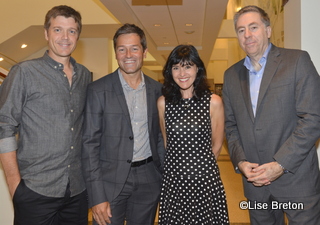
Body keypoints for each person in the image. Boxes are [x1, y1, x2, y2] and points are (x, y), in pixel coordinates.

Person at [223, 5, 320, 225]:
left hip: (297, 183)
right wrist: (241, 162)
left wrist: (280, 165)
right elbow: (230, 127)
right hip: (255, 187)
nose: (247, 35)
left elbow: (313, 118)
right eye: (241, 30)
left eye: (253, 27)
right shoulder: (231, 76)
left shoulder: (297, 61)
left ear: (267, 30)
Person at [0, 5, 91, 225]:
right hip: (34, 190)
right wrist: (15, 188)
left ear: (78, 35)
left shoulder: (85, 76)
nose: (65, 37)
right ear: (46, 33)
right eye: (58, 30)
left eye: (72, 31)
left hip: (77, 191)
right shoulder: (24, 72)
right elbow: (4, 126)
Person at [82, 23, 165, 225]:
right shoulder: (98, 90)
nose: (128, 54)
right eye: (122, 49)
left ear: (144, 52)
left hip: (149, 179)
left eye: (134, 48)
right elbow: (89, 145)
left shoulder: (158, 90)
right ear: (116, 53)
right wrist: (97, 196)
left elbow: (161, 138)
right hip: (109, 182)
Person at [157, 45, 229, 224]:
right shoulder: (163, 103)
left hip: (204, 181)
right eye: (176, 67)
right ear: (170, 72)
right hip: (174, 182)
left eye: (188, 66)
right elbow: (168, 143)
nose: (182, 73)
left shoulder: (213, 102)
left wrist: (199, 171)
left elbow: (217, 145)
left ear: (198, 69)